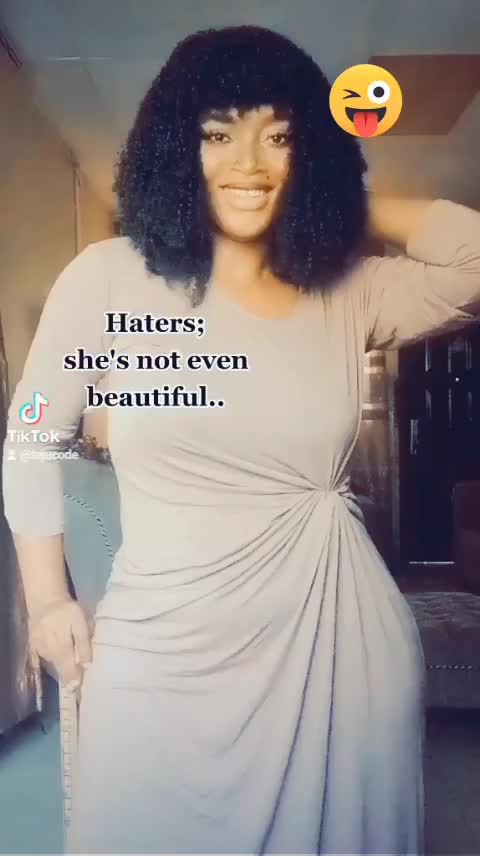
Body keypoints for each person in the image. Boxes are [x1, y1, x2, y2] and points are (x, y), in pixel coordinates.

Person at [3, 24, 480, 856]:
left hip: (338, 647)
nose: (250, 163)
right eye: (219, 134)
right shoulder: (108, 278)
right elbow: (33, 431)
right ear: (175, 149)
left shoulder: (348, 290)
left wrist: (343, 199)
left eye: (281, 138)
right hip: (161, 648)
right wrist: (46, 599)